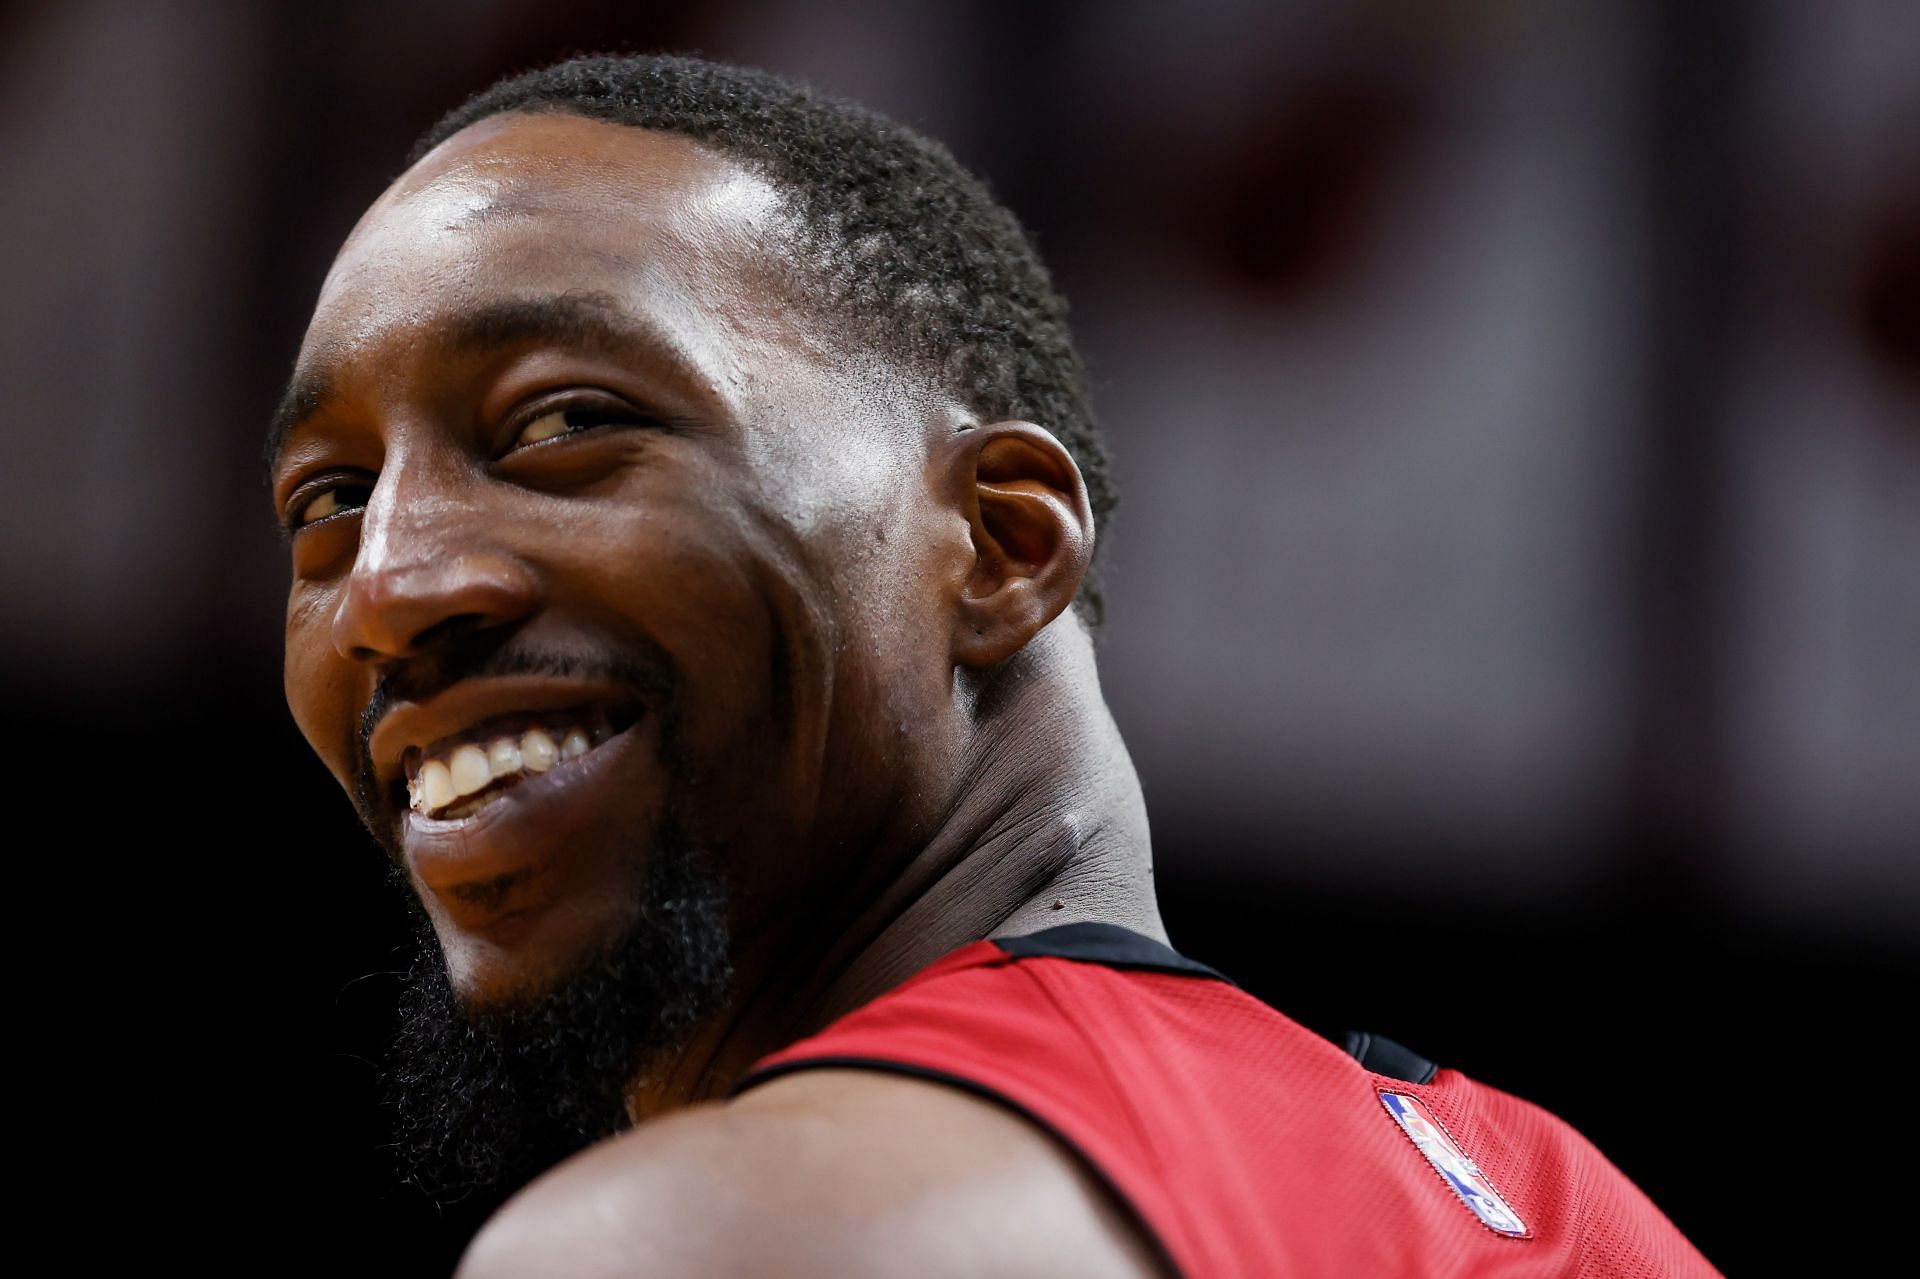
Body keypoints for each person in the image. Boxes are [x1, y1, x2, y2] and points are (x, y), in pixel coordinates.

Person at [267, 53, 1720, 1277]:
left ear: (1004, 545)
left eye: (560, 423)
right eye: (325, 505)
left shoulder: (710, 1237)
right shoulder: (1572, 1217)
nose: (384, 589)